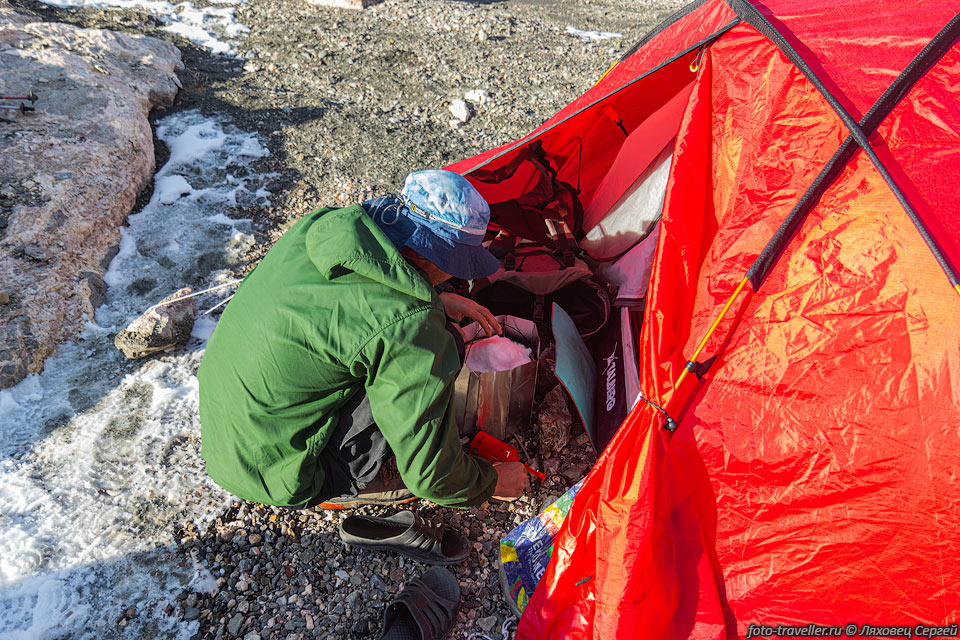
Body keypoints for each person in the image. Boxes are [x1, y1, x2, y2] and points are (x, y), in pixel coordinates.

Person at [198, 169, 529, 509]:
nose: (459, 273)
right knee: (441, 346)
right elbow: (431, 477)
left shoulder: (322, 227)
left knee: (405, 347)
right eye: (459, 264)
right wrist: (491, 482)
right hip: (282, 473)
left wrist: (436, 296)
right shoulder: (409, 326)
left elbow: (346, 309)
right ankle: (356, 483)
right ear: (436, 256)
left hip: (227, 430)